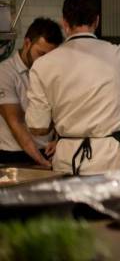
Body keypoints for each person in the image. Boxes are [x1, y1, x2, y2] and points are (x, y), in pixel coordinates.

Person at [25, 0, 120, 175]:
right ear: (96, 21)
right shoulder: (119, 54)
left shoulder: (43, 64)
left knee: (71, 205)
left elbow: (38, 127)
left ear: (65, 23)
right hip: (109, 158)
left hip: (67, 159)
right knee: (108, 204)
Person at [0, 18, 63, 166]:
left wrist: (58, 140)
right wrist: (41, 161)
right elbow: (16, 122)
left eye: (50, 57)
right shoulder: (5, 73)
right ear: (27, 43)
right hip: (14, 157)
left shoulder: (52, 73)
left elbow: (60, 112)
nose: (45, 62)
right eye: (41, 54)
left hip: (47, 153)